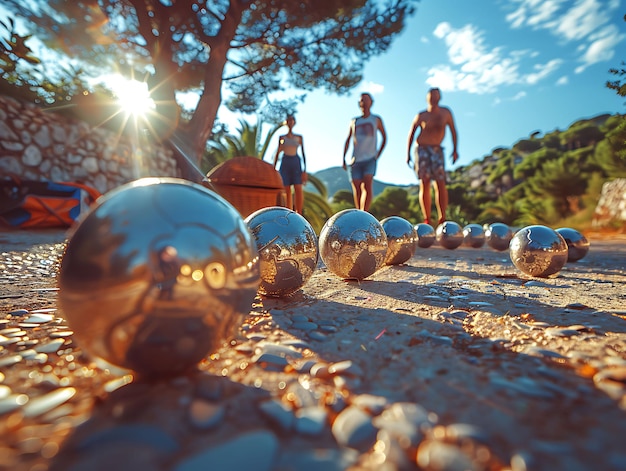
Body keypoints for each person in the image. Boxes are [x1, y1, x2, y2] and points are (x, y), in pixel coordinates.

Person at [406, 87, 458, 226]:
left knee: (440, 182)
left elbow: (453, 130)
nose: (434, 98)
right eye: (431, 96)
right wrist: (408, 154)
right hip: (422, 149)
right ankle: (427, 218)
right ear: (427, 98)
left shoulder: (446, 113)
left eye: (436, 96)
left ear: (439, 97)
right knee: (425, 182)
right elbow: (411, 134)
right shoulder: (421, 115)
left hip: (437, 150)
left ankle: (442, 217)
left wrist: (455, 150)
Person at [342, 92, 387, 212]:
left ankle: (364, 212)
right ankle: (359, 212)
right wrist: (343, 157)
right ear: (359, 103)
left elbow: (384, 137)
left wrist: (378, 153)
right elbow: (348, 139)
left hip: (370, 158)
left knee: (367, 184)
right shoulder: (354, 121)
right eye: (361, 100)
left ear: (371, 102)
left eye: (366, 100)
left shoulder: (376, 119)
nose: (364, 102)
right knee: (357, 188)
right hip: (355, 159)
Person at [273, 115, 308, 215]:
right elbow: (278, 152)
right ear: (286, 122)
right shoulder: (282, 137)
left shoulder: (299, 137)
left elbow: (303, 152)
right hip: (285, 162)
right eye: (288, 121)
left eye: (292, 120)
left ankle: (299, 212)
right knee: (286, 188)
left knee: (298, 187)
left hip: (296, 161)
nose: (290, 122)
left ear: (294, 122)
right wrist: (273, 167)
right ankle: (288, 212)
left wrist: (305, 170)